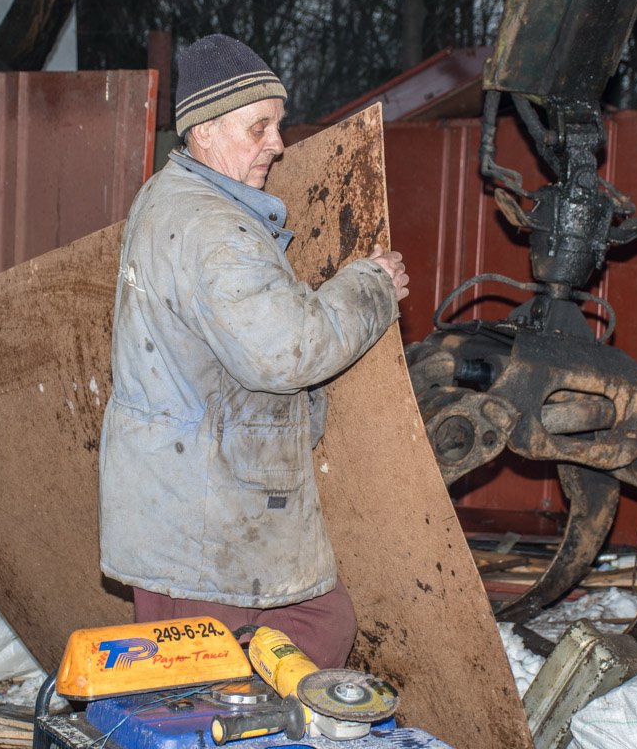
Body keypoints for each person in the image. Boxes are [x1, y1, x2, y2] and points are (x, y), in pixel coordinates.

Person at [98, 34, 409, 668]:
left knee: (317, 625)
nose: (278, 142)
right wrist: (372, 287)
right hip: (204, 521)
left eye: (279, 123)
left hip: (196, 501)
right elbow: (285, 352)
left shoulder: (170, 199)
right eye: (259, 126)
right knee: (214, 687)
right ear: (204, 133)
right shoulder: (214, 229)